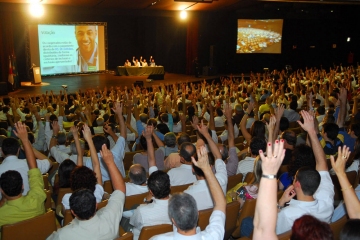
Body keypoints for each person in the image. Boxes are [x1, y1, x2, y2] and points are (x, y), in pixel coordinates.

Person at [47, 144, 126, 240]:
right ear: (96, 205)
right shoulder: (110, 218)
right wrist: (110, 162)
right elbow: (120, 189)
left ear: (73, 212)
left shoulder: (62, 235)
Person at [276, 111, 334, 235]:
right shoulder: (327, 200)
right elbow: (322, 162)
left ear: (297, 184)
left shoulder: (288, 214)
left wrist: (280, 203)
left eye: (295, 178)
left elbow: (270, 232)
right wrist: (312, 132)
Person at [150, 145, 226, 240]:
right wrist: (206, 169)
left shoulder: (156, 239)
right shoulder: (213, 236)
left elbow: (220, 203)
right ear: (198, 215)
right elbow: (220, 202)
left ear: (173, 221)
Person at [0, 122, 46, 227]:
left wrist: (2, 200)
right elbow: (33, 169)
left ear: (1, 190)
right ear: (23, 186)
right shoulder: (37, 200)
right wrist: (25, 140)